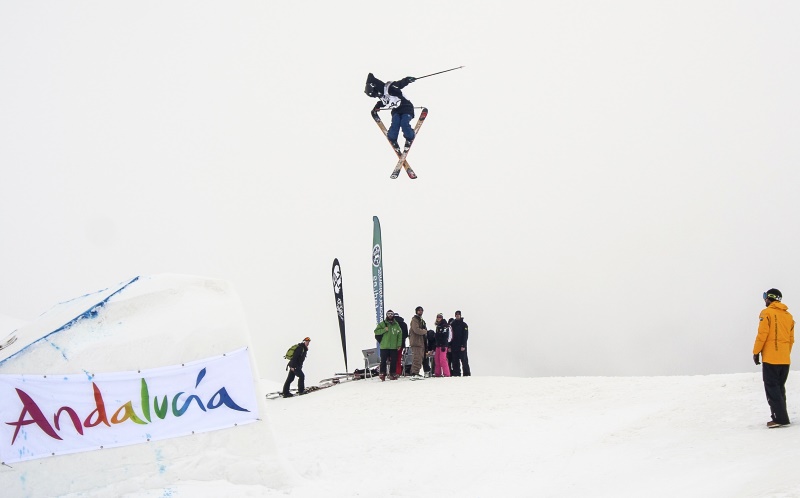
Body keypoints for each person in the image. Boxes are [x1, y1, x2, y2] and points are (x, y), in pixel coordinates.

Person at [753, 289, 795, 428]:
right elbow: (791, 340)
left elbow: (762, 334)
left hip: (771, 358)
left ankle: (780, 418)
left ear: (769, 298)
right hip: (784, 359)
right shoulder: (789, 316)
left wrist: (756, 352)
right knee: (779, 388)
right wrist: (784, 354)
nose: (764, 300)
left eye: (765, 297)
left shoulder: (767, 313)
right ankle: (782, 416)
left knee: (772, 388)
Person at [364, 72, 417, 149]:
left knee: (404, 123)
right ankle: (392, 138)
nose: (377, 96)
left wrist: (407, 80)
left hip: (406, 108)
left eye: (375, 95)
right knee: (395, 123)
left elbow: (399, 84)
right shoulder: (382, 95)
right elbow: (383, 102)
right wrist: (377, 107)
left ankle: (410, 137)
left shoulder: (389, 87)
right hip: (396, 111)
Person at [374, 309, 404, 381]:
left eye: (391, 314)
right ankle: (382, 373)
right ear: (386, 315)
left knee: (394, 360)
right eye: (388, 314)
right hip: (384, 346)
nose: (390, 315)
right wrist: (384, 330)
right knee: (383, 360)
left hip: (393, 346)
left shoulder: (396, 325)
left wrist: (399, 344)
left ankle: (392, 373)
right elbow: (376, 331)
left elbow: (400, 335)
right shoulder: (382, 324)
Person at [450, 310, 471, 376]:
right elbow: (450, 336)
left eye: (459, 314)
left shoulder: (464, 325)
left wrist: (463, 345)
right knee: (455, 361)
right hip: (454, 345)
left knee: (464, 360)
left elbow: (465, 336)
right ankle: (456, 373)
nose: (457, 315)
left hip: (462, 346)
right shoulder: (452, 324)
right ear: (455, 315)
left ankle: (466, 373)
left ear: (460, 315)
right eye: (456, 314)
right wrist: (450, 346)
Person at [409, 306, 427, 379]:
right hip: (416, 342)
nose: (420, 312)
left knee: (419, 358)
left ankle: (416, 372)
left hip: (420, 342)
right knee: (417, 357)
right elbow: (416, 330)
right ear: (416, 311)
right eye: (419, 310)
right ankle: (414, 373)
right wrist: (424, 331)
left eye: (421, 310)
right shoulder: (415, 320)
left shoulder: (421, 320)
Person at [433, 313, 452, 377]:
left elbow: (445, 336)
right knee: (437, 359)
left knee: (442, 359)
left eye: (440, 317)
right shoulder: (438, 326)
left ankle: (447, 374)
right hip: (438, 345)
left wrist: (444, 345)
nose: (439, 318)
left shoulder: (444, 326)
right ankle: (437, 373)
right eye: (438, 317)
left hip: (443, 345)